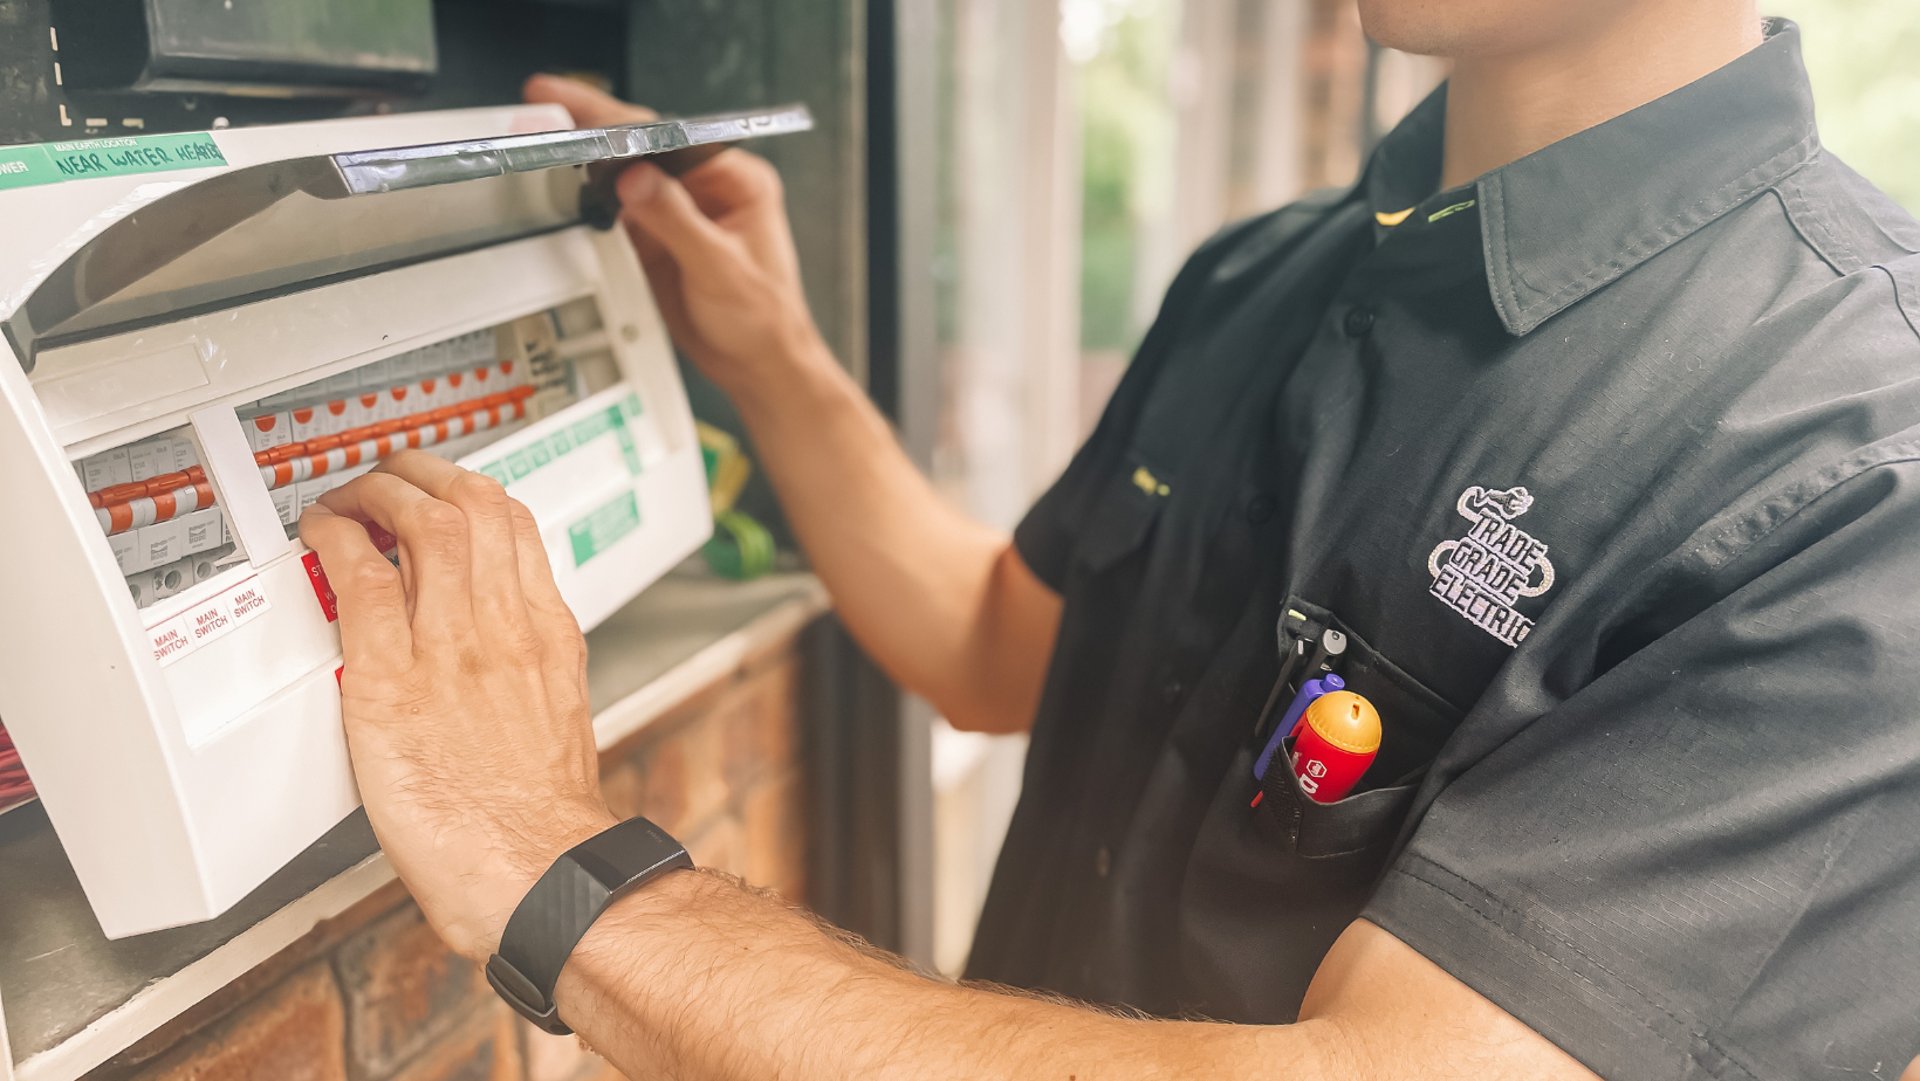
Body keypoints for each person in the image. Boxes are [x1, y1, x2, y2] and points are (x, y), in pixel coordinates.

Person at [299, 1, 1920, 1076]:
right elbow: (993, 649)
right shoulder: (1268, 276)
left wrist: (552, 864)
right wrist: (773, 361)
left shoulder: (1853, 450)